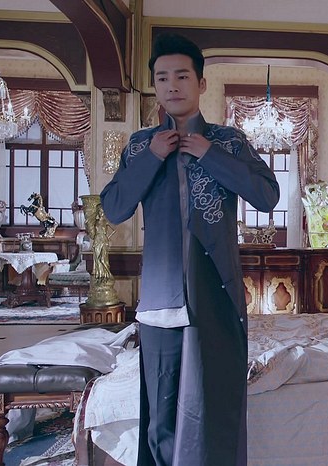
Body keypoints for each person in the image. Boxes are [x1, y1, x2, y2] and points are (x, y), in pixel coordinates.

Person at [100, 33, 280, 466]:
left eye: (182, 76)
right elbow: (114, 207)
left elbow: (267, 196)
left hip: (216, 298)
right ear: (155, 87)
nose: (172, 85)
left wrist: (210, 154)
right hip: (160, 303)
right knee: (161, 420)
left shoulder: (228, 141)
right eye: (162, 78)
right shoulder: (141, 145)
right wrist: (152, 157)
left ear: (201, 83)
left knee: (213, 410)